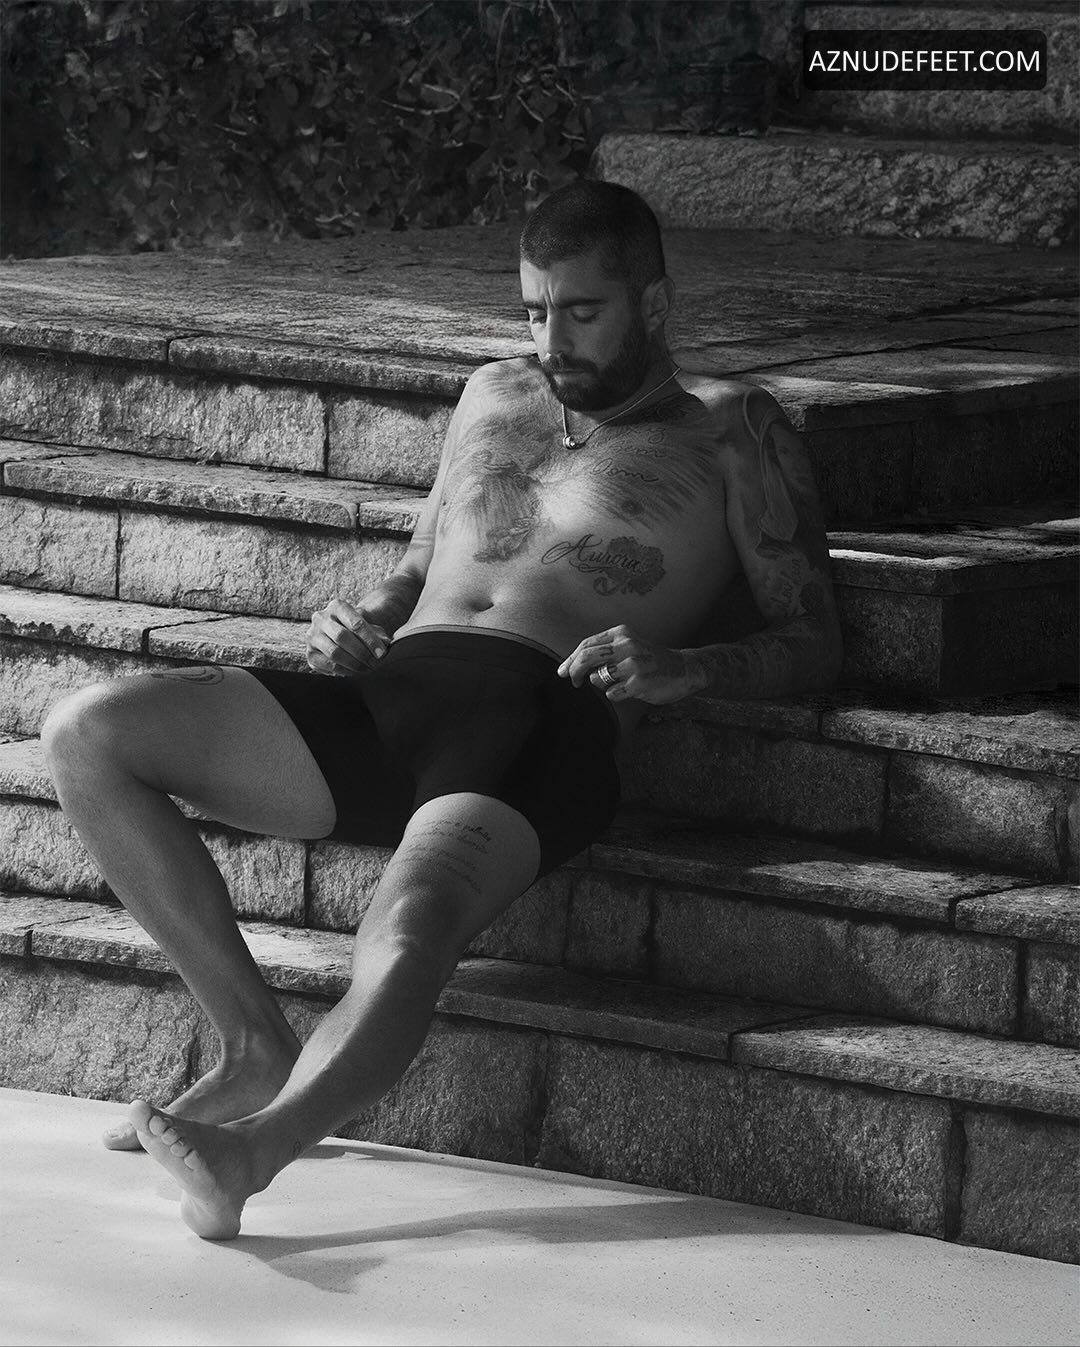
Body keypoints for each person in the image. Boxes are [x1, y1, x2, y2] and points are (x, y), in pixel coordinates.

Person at [40, 180, 843, 1240]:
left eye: (582, 312)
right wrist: (362, 616)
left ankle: (254, 1152)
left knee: (412, 923)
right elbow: (424, 562)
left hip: (538, 721)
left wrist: (685, 669)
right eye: (534, 311)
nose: (552, 340)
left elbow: (813, 637)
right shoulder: (492, 395)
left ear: (653, 304)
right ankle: (252, 1045)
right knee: (89, 733)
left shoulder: (733, 429)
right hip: (392, 695)